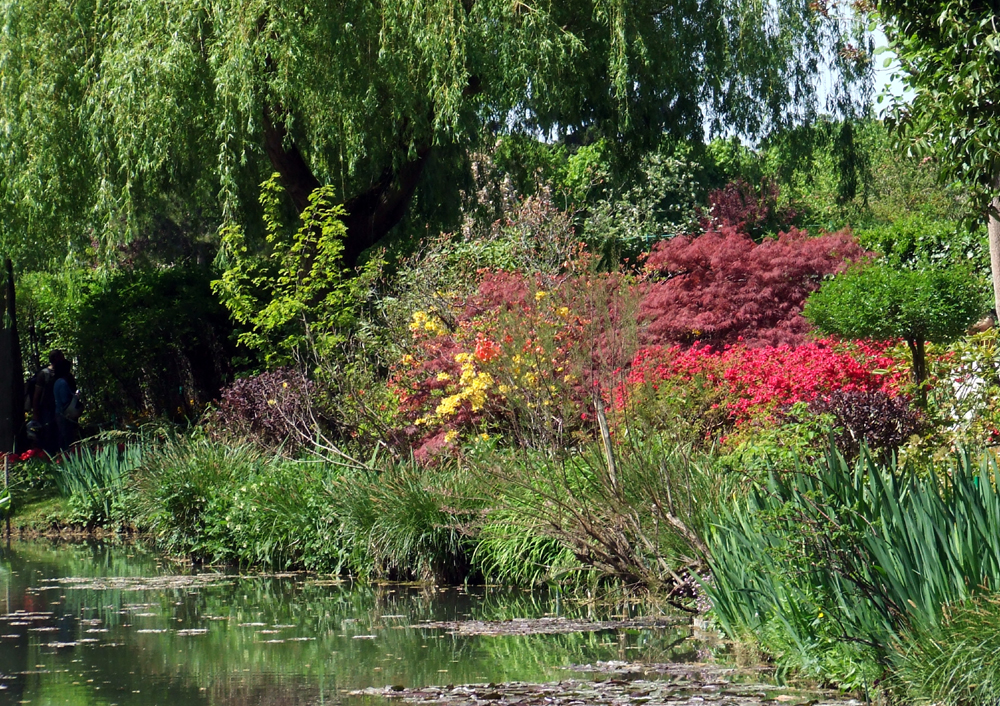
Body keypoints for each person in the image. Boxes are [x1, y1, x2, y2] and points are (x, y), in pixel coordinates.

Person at [30, 350, 66, 454]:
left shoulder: (63, 373)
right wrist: (35, 414)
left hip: (61, 410)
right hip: (46, 410)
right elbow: (37, 395)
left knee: (61, 435)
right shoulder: (44, 374)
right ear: (56, 359)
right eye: (61, 357)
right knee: (47, 435)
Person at [51, 358, 78, 452]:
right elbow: (65, 400)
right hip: (64, 415)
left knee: (63, 437)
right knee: (67, 438)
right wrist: (75, 398)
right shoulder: (62, 383)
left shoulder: (57, 382)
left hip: (59, 413)